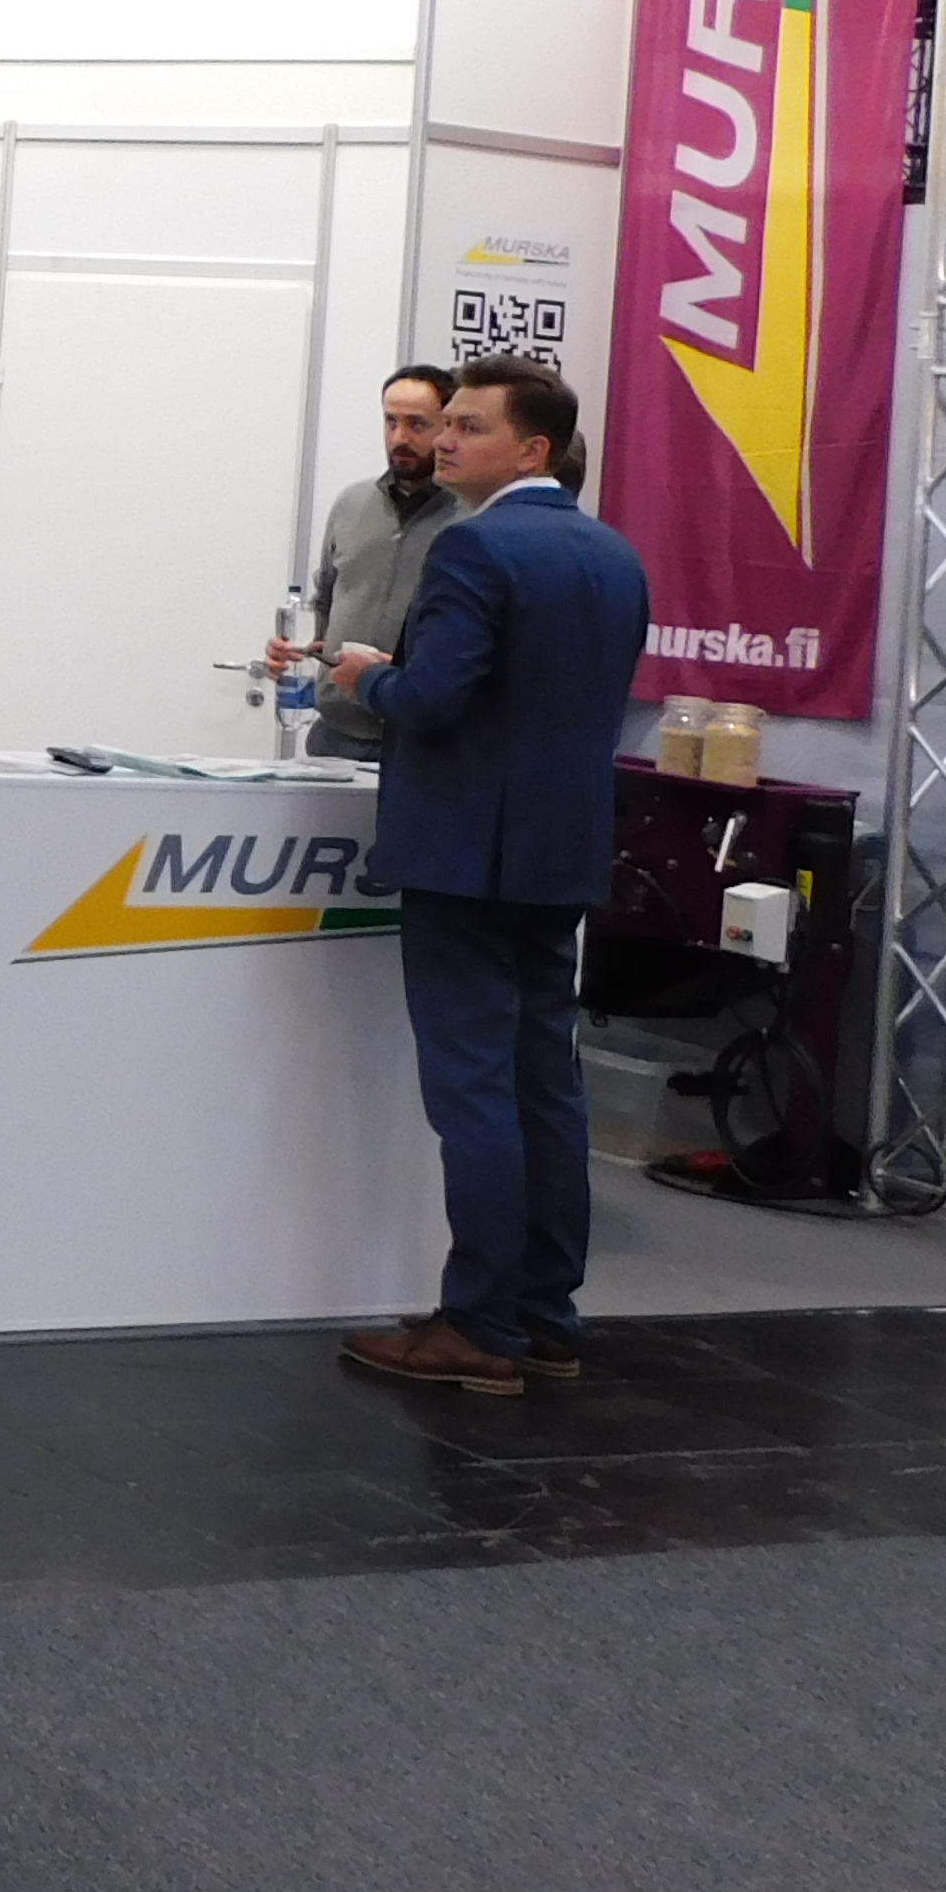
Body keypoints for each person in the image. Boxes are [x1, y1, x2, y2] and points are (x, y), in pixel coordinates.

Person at [322, 354, 649, 1399]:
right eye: (444, 423)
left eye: (469, 426)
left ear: (531, 448)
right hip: (557, 853)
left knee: (473, 1091)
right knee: (545, 1084)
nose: (444, 440)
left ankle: (478, 1324)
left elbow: (436, 700)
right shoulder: (612, 553)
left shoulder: (473, 547)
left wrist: (371, 677)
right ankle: (545, 1317)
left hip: (466, 854)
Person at [265, 365, 466, 760]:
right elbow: (326, 599)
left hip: (423, 741)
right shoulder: (352, 503)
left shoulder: (473, 518)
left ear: (448, 427)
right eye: (391, 421)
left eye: (416, 424)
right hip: (335, 735)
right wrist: (300, 651)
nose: (399, 438)